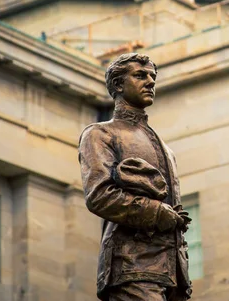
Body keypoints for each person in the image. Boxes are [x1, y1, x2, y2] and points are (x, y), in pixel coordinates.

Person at [78, 53, 192, 301]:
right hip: (131, 266)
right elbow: (99, 196)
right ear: (118, 85)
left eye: (153, 76)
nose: (150, 81)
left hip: (173, 274)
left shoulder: (165, 147)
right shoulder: (100, 134)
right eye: (140, 75)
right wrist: (157, 212)